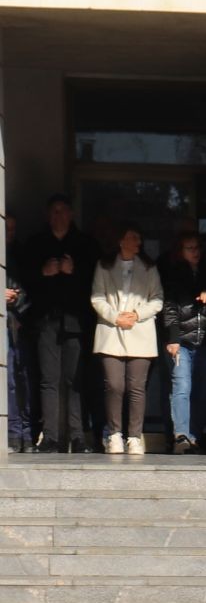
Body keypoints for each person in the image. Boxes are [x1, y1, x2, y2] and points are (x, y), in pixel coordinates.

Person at [21, 193, 97, 453]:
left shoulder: (85, 244)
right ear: (47, 215)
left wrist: (73, 270)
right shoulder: (36, 243)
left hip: (75, 320)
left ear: (71, 214)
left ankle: (77, 436)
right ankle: (50, 436)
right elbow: (24, 278)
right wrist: (44, 272)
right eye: (54, 211)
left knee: (74, 380)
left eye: (63, 211)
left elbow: (94, 281)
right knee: (49, 379)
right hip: (45, 321)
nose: (59, 216)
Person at [89, 224, 163, 458]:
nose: (137, 242)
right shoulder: (104, 265)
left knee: (137, 388)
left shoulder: (149, 267)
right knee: (114, 384)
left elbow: (158, 299)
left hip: (140, 333)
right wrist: (114, 316)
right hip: (111, 331)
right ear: (121, 240)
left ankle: (133, 436)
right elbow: (97, 296)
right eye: (132, 237)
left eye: (139, 238)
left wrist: (138, 315)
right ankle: (113, 434)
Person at [160, 231, 206, 454]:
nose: (195, 252)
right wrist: (173, 338)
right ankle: (181, 436)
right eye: (190, 248)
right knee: (182, 386)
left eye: (197, 247)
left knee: (202, 390)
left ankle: (194, 436)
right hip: (183, 341)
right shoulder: (174, 274)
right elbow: (169, 308)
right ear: (181, 251)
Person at [6, 219, 32, 453]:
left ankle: (21, 433)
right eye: (6, 228)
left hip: (15, 325)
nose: (9, 233)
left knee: (17, 379)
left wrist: (17, 298)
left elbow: (28, 290)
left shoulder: (20, 256)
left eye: (13, 229)